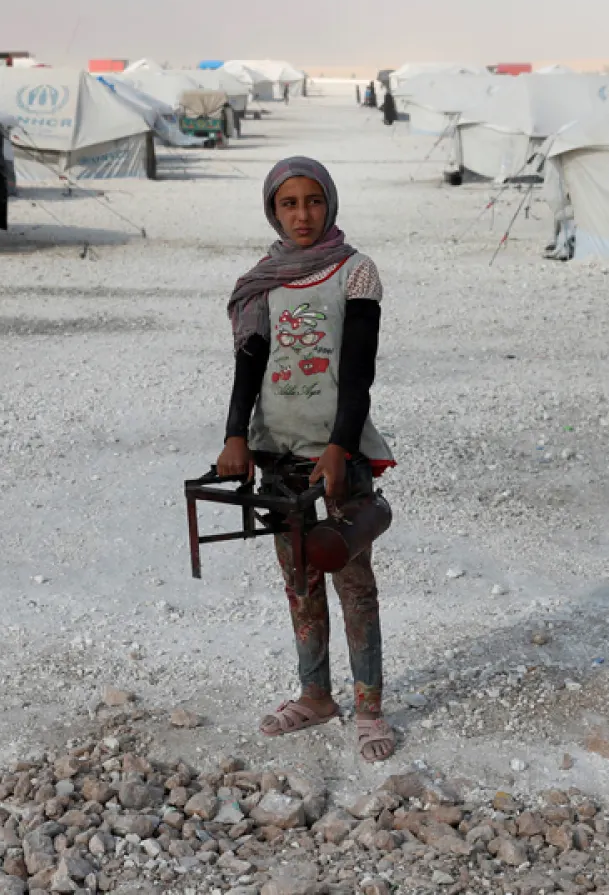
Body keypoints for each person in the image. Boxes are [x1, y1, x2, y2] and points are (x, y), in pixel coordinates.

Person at [218, 157, 397, 763]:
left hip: (338, 452)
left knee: (352, 578)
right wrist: (235, 435)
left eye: (313, 201)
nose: (302, 214)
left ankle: (368, 705)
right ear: (273, 208)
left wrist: (341, 447)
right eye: (289, 203)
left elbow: (359, 371)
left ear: (331, 205)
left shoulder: (356, 272)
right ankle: (315, 694)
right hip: (278, 453)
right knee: (299, 580)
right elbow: (250, 363)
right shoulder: (262, 280)